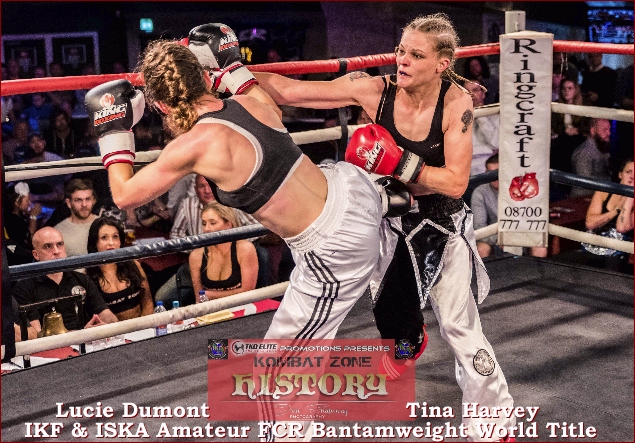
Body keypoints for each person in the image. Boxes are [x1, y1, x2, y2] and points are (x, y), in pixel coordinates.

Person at [255, 13, 515, 441]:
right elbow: (288, 89)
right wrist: (228, 73)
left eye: (416, 54)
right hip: (388, 218)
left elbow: (456, 182)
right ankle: (406, 341)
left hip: (441, 223)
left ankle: (495, 420)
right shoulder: (373, 90)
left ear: (442, 63)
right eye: (400, 50)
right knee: (391, 316)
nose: (403, 60)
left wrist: (399, 163)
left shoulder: (456, 104)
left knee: (460, 327)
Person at [85, 29, 408, 347]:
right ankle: (384, 201)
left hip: (333, 241)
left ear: (163, 106)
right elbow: (270, 105)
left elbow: (124, 196)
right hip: (349, 189)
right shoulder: (249, 102)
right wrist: (230, 66)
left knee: (278, 369)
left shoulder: (191, 146)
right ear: (205, 77)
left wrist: (113, 131)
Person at [11, 227, 118, 333]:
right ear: (36, 254)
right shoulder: (24, 288)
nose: (56, 251)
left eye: (60, 244)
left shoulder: (81, 279)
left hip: (88, 339)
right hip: (58, 343)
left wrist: (111, 325)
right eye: (48, 246)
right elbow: (36, 334)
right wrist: (81, 334)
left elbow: (104, 312)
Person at [86, 217, 154, 321]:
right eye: (104, 238)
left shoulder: (133, 264)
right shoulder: (88, 277)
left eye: (115, 237)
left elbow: (147, 302)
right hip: (111, 330)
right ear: (95, 243)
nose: (111, 243)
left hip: (142, 326)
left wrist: (144, 326)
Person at [189, 202, 259, 300]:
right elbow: (200, 297)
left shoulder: (245, 249)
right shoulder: (196, 255)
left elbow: (248, 291)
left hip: (242, 305)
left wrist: (211, 295)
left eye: (213, 223)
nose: (206, 229)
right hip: (211, 308)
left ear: (228, 224)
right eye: (204, 224)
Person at [53, 178, 99, 257]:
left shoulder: (106, 225)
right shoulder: (58, 232)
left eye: (88, 199)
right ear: (68, 203)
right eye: (78, 200)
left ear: (94, 200)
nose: (84, 204)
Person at [463, 78, 499, 176]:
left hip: (491, 170)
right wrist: (488, 150)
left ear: (483, 94)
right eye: (466, 91)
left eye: (475, 90)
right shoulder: (456, 118)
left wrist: (481, 116)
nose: (471, 94)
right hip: (465, 171)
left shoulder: (496, 115)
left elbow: (497, 143)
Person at [571, 118, 612, 197]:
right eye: (604, 130)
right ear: (593, 131)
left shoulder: (601, 148)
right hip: (583, 197)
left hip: (597, 195)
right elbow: (584, 181)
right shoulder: (584, 153)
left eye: (609, 129)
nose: (609, 133)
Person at [471, 155, 502, 258]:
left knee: (540, 246)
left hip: (521, 234)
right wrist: (501, 239)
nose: (495, 178)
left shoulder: (521, 188)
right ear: (486, 173)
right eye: (491, 174)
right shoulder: (480, 192)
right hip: (493, 237)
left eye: (497, 173)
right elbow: (479, 227)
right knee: (481, 248)